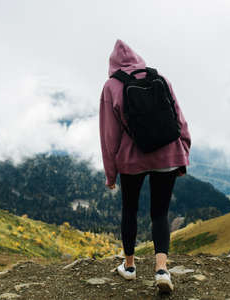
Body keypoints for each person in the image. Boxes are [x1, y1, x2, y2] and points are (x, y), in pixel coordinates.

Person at [99, 39, 191, 293]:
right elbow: (180, 119)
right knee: (159, 213)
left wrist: (110, 174)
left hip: (132, 159)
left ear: (113, 64)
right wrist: (183, 152)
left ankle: (129, 267)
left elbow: (109, 136)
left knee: (130, 210)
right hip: (168, 154)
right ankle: (161, 270)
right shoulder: (159, 78)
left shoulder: (111, 86)